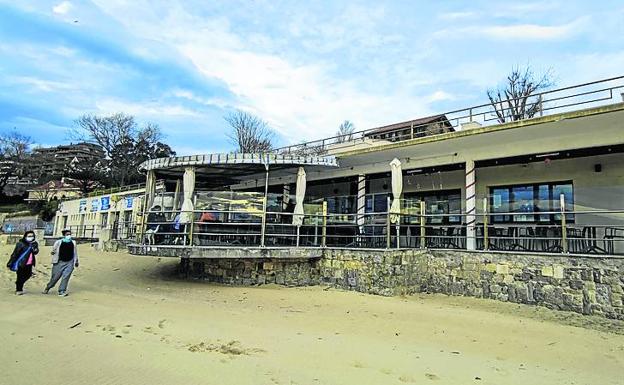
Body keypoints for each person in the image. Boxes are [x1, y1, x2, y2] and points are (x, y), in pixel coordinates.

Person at [43, 229, 79, 297]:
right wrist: (53, 252)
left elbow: (75, 252)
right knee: (55, 277)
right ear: (64, 235)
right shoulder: (58, 242)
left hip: (69, 262)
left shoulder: (73, 242)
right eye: (67, 234)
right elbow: (54, 250)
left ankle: (62, 290)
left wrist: (76, 261)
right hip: (59, 262)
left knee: (66, 276)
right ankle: (48, 287)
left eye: (70, 234)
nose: (69, 236)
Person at [6, 231, 39, 295]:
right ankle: (19, 290)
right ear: (25, 236)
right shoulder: (20, 243)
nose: (30, 237)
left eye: (32, 236)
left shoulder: (34, 243)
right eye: (29, 236)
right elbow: (15, 253)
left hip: (29, 263)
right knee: (20, 276)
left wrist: (35, 248)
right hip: (21, 263)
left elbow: (35, 252)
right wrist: (10, 262)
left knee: (28, 275)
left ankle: (19, 283)